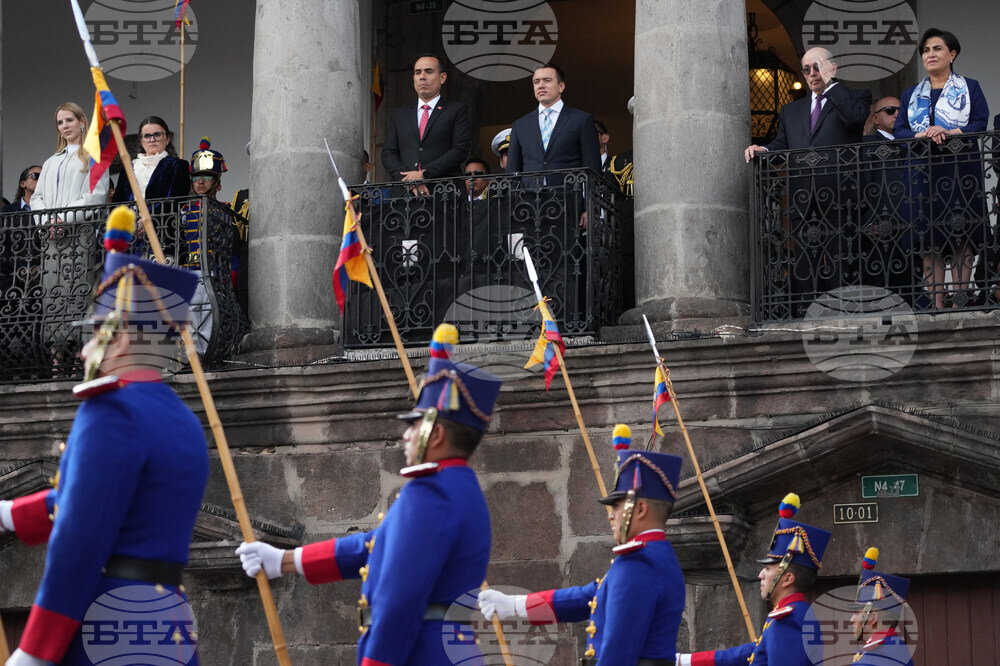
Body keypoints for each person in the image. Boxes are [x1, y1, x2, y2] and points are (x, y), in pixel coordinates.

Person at [0, 207, 208, 665]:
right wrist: (11, 514)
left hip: (106, 626)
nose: (86, 347)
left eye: (98, 331)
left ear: (126, 336)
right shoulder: (183, 420)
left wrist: (34, 651)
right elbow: (104, 503)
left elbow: (80, 537)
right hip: (167, 625)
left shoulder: (110, 409)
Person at [236, 323, 502, 666]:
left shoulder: (430, 492)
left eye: (414, 423)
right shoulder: (460, 489)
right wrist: (286, 561)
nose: (405, 435)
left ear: (435, 435)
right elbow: (374, 546)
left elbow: (399, 601)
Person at [479, 424, 685, 664]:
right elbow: (587, 597)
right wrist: (512, 605)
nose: (611, 514)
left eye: (617, 506)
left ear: (640, 509)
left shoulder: (640, 564)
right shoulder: (652, 557)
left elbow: (617, 655)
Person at [745, 48, 871, 312]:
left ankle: (842, 311)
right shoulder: (791, 110)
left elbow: (854, 119)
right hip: (802, 195)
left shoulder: (855, 96)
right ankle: (806, 313)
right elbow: (781, 145)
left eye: (818, 66)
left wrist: (831, 85)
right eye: (807, 69)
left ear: (832, 68)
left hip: (840, 193)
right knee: (805, 258)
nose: (813, 74)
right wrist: (763, 150)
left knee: (841, 256)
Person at [892, 28, 990, 309]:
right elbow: (900, 130)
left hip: (960, 171)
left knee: (962, 234)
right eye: (925, 50)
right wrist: (921, 135)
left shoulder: (969, 87)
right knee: (928, 240)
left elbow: (979, 123)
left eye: (936, 49)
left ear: (952, 54)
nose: (930, 54)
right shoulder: (912, 93)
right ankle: (935, 305)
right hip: (923, 172)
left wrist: (949, 130)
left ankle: (959, 301)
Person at [678, 493, 831, 666]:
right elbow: (749, 653)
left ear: (787, 578)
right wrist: (683, 660)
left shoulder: (789, 620)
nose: (760, 575)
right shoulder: (792, 615)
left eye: (767, 568)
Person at [381, 53, 471, 195]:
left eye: (429, 71)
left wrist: (424, 174)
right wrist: (409, 180)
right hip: (404, 196)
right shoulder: (400, 114)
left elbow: (459, 150)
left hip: (444, 194)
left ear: (442, 77)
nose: (422, 76)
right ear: (414, 78)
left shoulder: (456, 110)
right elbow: (388, 153)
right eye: (418, 72)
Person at [505, 63, 602, 176]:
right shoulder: (520, 124)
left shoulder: (582, 120)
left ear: (561, 86)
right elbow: (512, 170)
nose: (541, 85)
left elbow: (592, 168)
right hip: (529, 192)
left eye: (547, 80)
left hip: (568, 191)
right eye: (536, 82)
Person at [181, 137, 230, 354]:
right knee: (190, 315)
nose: (200, 182)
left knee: (210, 315)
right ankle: (193, 357)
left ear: (217, 182)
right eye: (197, 177)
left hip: (214, 270)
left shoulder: (225, 210)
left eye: (207, 177)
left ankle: (207, 357)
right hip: (189, 269)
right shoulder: (183, 210)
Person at [31, 103, 110, 214]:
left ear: (82, 122)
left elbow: (96, 197)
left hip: (80, 228)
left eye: (69, 120)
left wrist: (62, 219)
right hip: (48, 229)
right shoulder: (49, 162)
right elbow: (36, 198)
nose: (65, 126)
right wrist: (47, 221)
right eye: (60, 123)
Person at [849, 547, 914, 666]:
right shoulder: (897, 647)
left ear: (873, 618)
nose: (851, 619)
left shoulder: (872, 658)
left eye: (857, 613)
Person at [112, 115, 190, 203]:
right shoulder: (128, 169)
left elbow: (175, 200)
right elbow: (117, 202)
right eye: (146, 136)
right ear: (141, 141)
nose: (152, 140)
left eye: (157, 134)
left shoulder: (178, 165)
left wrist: (148, 216)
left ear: (168, 139)